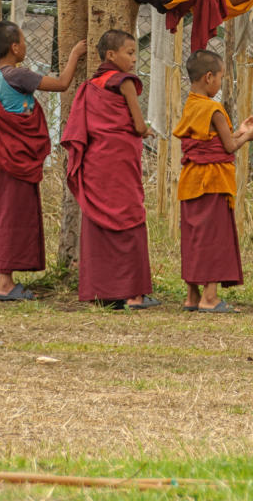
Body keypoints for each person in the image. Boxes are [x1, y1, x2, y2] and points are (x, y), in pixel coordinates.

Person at [0, 21, 86, 302]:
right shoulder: (20, 75)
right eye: (24, 41)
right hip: (16, 158)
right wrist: (75, 54)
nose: (26, 45)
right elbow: (62, 84)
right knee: (13, 216)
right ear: (15, 47)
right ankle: (5, 283)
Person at [61, 29, 158, 310]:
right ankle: (133, 292)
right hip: (119, 163)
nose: (134, 60)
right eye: (129, 53)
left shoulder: (90, 86)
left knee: (98, 223)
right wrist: (148, 131)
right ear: (111, 55)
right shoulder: (124, 82)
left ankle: (102, 291)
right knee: (130, 218)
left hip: (96, 162)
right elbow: (138, 126)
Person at [172, 48, 253, 313]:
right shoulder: (213, 109)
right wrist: (247, 135)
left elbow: (209, 140)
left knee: (194, 237)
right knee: (213, 237)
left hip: (190, 181)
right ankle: (209, 298)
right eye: (221, 78)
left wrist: (237, 131)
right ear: (209, 77)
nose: (221, 83)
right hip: (213, 182)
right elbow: (229, 146)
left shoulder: (190, 104)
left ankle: (191, 296)